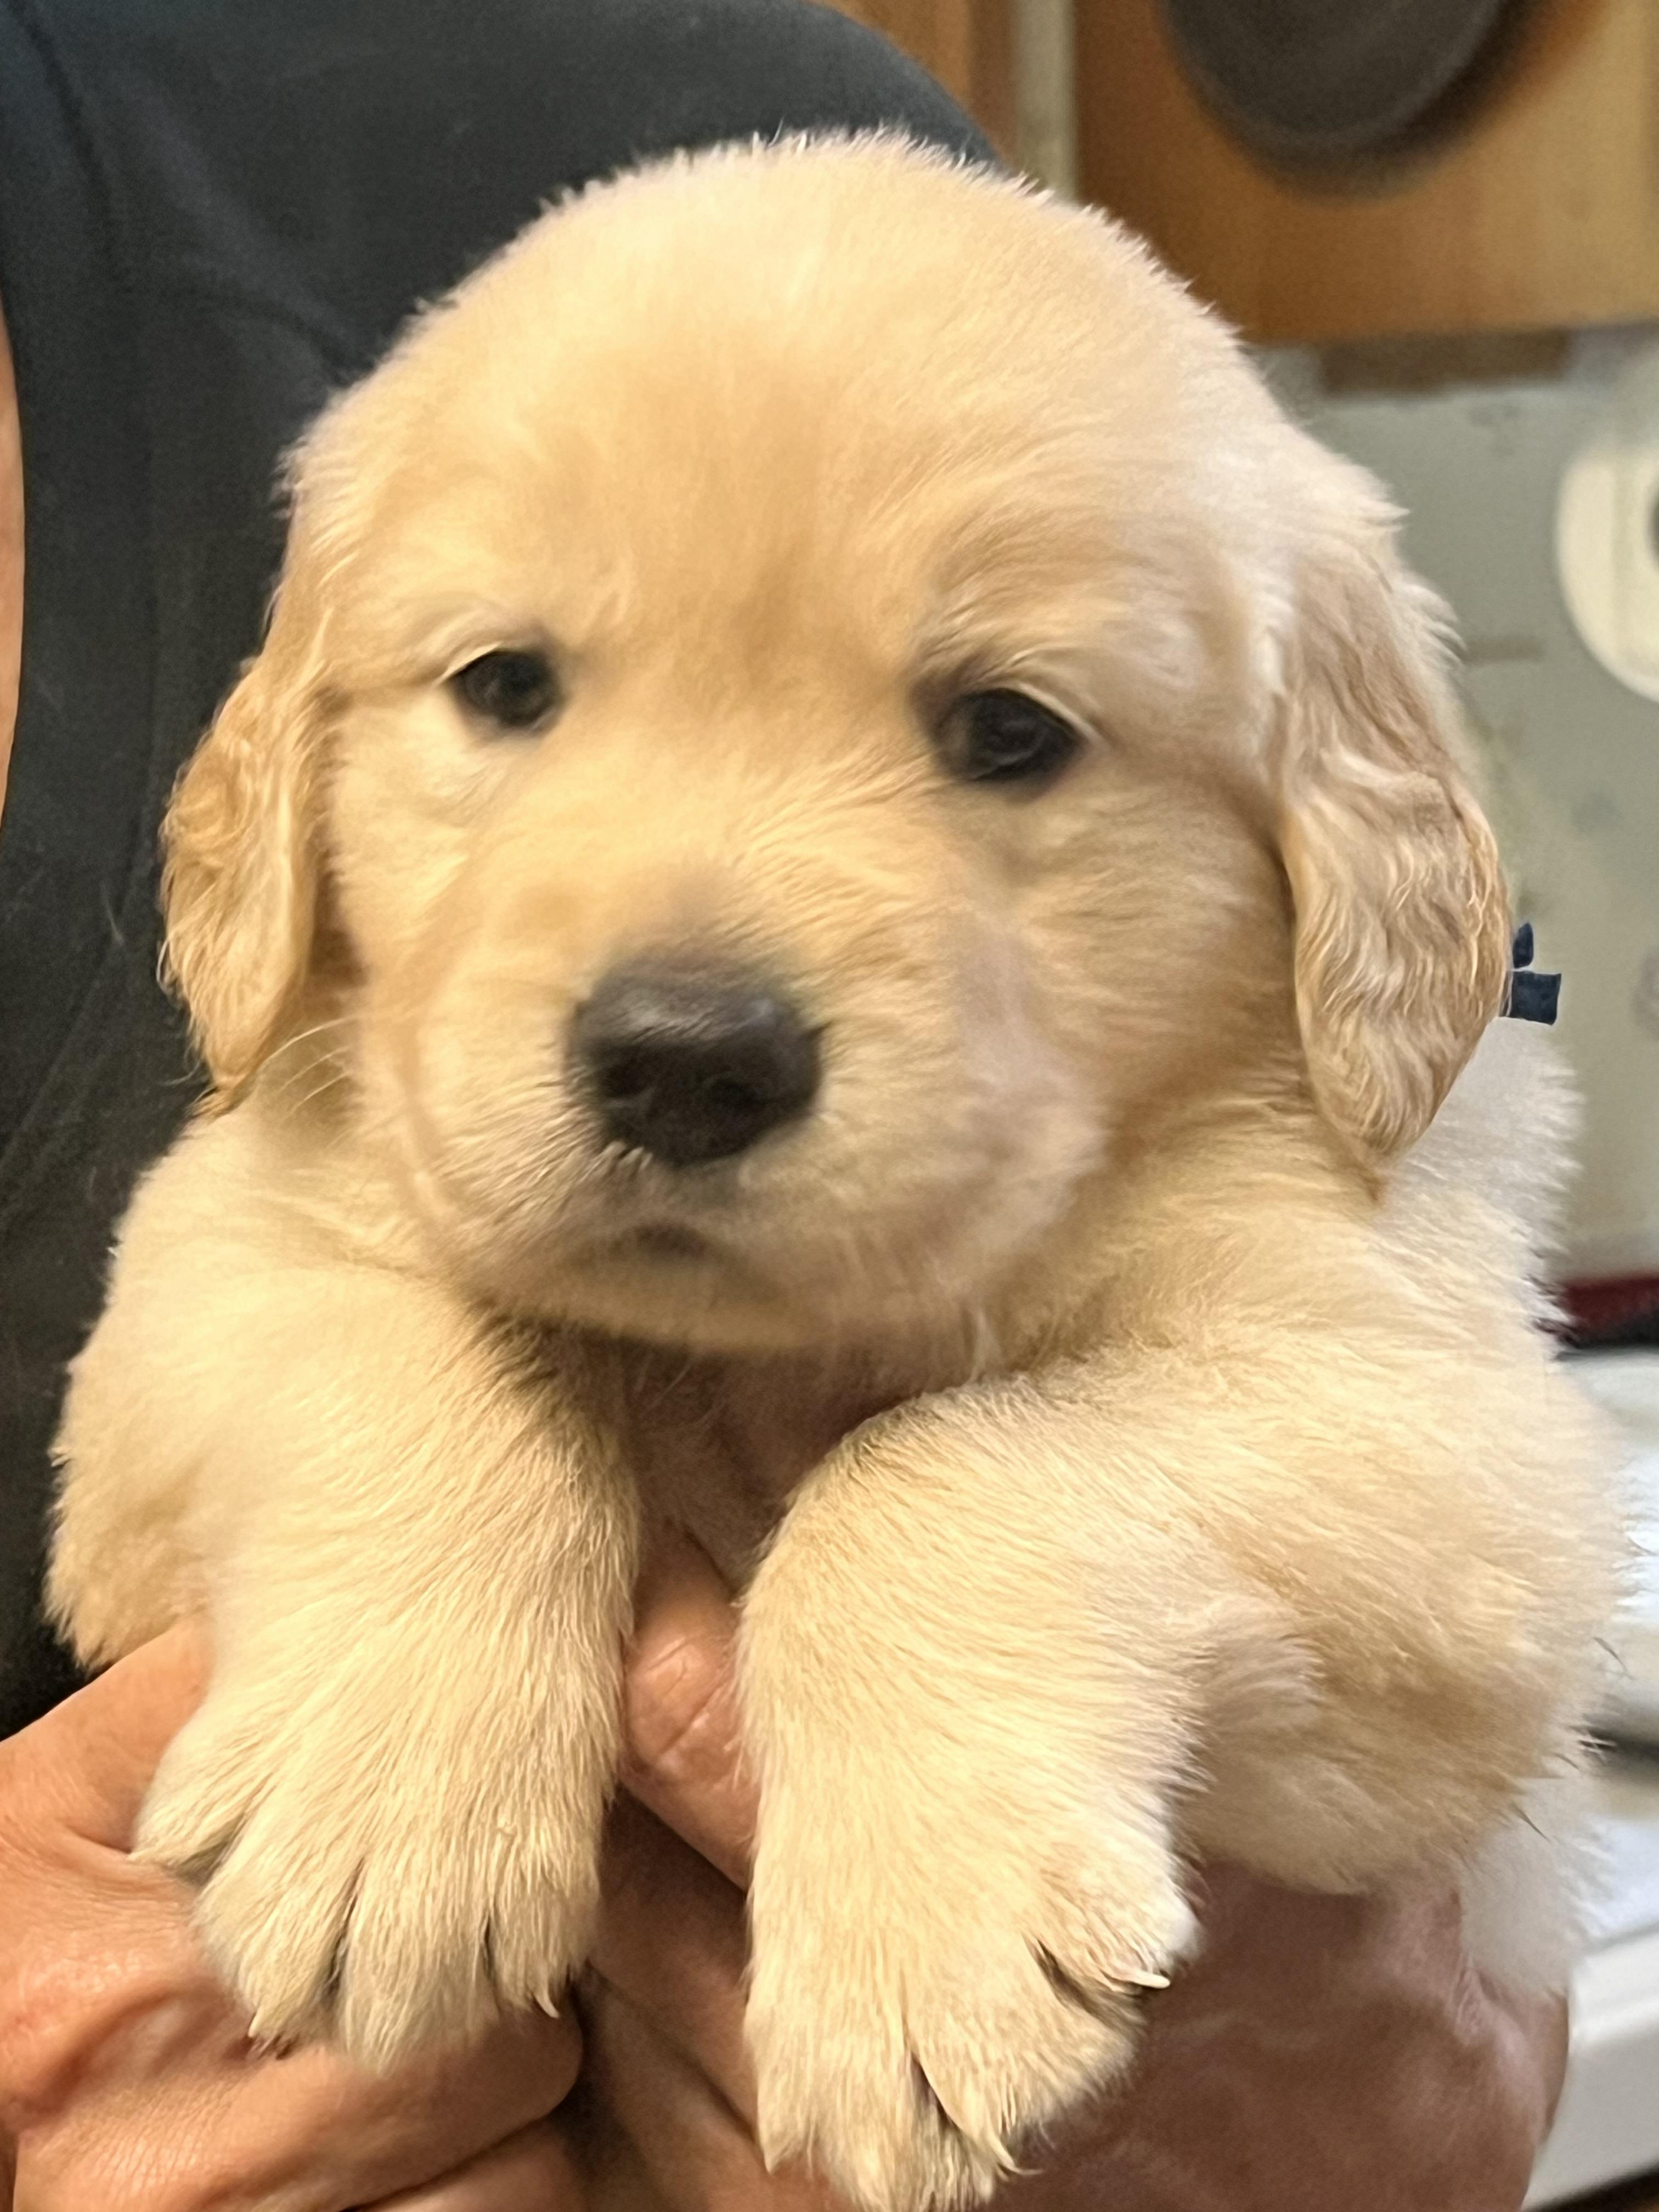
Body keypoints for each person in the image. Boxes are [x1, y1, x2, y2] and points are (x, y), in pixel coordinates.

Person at [0, 2, 1570, 2203]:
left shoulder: (744, 124)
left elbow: (1470, 1585)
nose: (686, 1005)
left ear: (1321, 842)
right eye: (509, 685)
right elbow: (173, 1422)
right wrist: (417, 1499)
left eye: (1009, 729)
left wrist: (987, 1578)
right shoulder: (349, 1117)